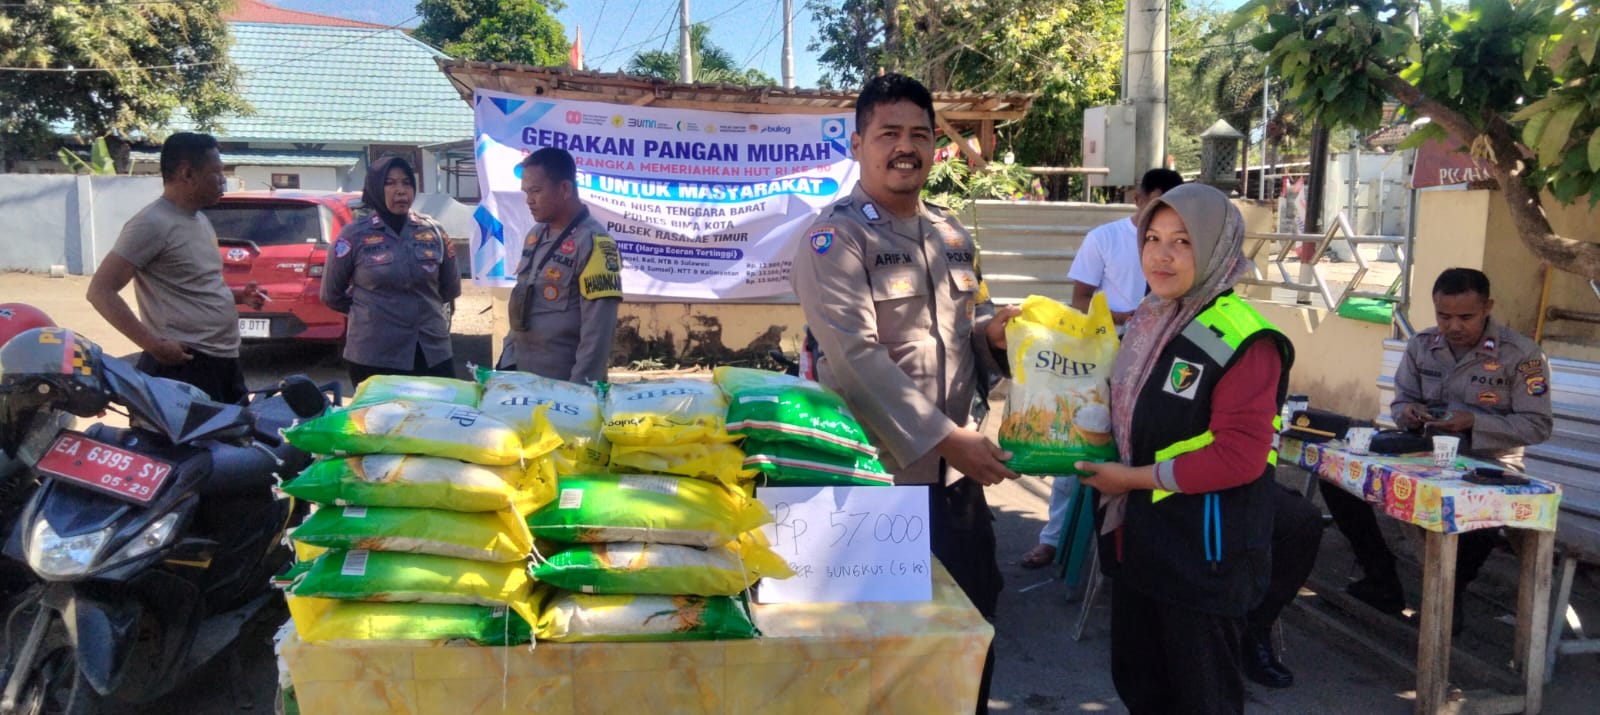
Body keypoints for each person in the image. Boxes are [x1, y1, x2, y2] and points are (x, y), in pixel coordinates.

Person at [791, 73, 1020, 714]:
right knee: (880, 665)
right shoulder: (834, 239)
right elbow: (854, 358)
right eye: (888, 133)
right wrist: (948, 438)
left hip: (956, 484)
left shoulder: (951, 233)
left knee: (968, 644)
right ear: (857, 143)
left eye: (919, 134)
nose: (905, 147)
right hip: (871, 486)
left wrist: (994, 335)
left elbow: (966, 329)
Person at [1077, 183, 1295, 714]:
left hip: (1204, 556)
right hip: (1141, 543)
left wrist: (1130, 480)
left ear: (1217, 246)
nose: (1161, 255)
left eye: (1183, 241)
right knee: (1141, 686)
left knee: (1202, 699)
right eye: (1152, 238)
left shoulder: (1246, 338)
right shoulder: (1152, 318)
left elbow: (1240, 455)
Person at [1320, 267, 1552, 630]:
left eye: (1466, 317)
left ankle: (1446, 601)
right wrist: (1409, 413)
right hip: (1422, 452)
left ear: (1488, 307)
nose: (1453, 326)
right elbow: (1401, 403)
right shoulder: (1423, 345)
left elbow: (1537, 425)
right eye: (1444, 316)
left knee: (1479, 518)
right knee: (1336, 478)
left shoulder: (1521, 355)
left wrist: (1473, 422)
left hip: (1489, 463)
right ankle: (1382, 578)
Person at [1021, 168, 1183, 570]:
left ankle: (1140, 548)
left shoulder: (1186, 246)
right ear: (1138, 199)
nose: (1163, 214)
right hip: (1107, 353)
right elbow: (1080, 299)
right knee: (1078, 441)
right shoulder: (1105, 238)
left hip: (1164, 357)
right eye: (1156, 203)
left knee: (1149, 445)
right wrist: (1123, 318)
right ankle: (1052, 538)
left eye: (1173, 206)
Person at [88, 132, 265, 404]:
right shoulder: (151, 223)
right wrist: (154, 346)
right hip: (183, 365)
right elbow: (100, 291)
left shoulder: (200, 220)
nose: (223, 180)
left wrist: (240, 295)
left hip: (223, 361)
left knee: (237, 429)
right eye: (216, 172)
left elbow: (196, 284)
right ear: (187, 173)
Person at [321, 156, 460, 387]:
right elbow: (331, 294)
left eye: (407, 183)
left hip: (431, 352)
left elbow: (450, 288)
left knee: (439, 409)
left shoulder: (433, 231)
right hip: (374, 355)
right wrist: (373, 313)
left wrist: (417, 309)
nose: (401, 190)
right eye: (390, 183)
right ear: (376, 187)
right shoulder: (353, 235)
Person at [504, 148, 622, 383]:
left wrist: (579, 392)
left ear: (565, 189)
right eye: (526, 192)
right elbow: (523, 301)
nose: (529, 200)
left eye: (536, 191)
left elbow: (598, 332)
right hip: (521, 375)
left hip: (563, 385)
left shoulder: (594, 243)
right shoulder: (536, 234)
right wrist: (506, 363)